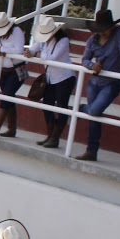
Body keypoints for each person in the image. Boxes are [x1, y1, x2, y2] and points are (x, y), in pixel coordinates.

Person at [74, 8, 120, 162]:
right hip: (94, 81)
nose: (102, 33)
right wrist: (91, 66)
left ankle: (82, 108)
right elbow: (85, 59)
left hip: (111, 82)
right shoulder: (93, 40)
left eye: (105, 29)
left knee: (94, 110)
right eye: (100, 30)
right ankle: (91, 150)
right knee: (95, 116)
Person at [23, 15, 78, 149]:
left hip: (64, 77)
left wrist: (36, 54)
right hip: (50, 78)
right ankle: (51, 135)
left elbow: (52, 58)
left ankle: (55, 137)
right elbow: (33, 48)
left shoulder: (63, 40)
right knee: (47, 105)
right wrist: (29, 51)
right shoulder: (43, 40)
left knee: (61, 106)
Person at [0, 11, 26, 139]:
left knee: (6, 96)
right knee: (9, 97)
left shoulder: (16, 31)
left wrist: (2, 50)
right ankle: (11, 128)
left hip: (15, 70)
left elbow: (19, 49)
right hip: (2, 70)